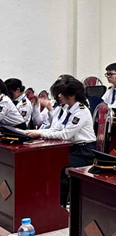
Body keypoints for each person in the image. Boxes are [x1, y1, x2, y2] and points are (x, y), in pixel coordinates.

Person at [27, 77, 96, 206]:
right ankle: (44, 200)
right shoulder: (68, 109)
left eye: (61, 93)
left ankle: (60, 205)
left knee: (59, 167)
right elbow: (55, 128)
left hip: (83, 152)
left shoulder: (81, 111)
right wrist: (30, 132)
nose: (59, 96)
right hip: (70, 149)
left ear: (71, 95)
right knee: (43, 161)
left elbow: (65, 135)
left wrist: (40, 133)